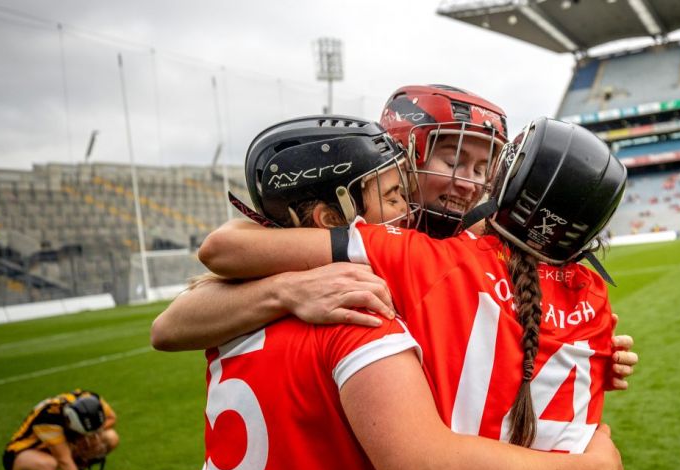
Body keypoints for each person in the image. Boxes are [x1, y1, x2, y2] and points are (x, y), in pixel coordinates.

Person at [183, 116, 625, 470]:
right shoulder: (594, 296)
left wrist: (284, 288)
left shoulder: (415, 265)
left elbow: (214, 262)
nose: (409, 207)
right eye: (395, 194)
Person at [152, 85, 637, 394]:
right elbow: (172, 325)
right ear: (402, 157)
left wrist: (571, 360)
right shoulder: (366, 234)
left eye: (482, 166)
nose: (469, 182)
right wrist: (286, 291)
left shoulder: (490, 243)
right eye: (451, 160)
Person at [3, 389, 119, 470]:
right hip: (22, 454)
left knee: (109, 439)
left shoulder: (92, 400)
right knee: (48, 467)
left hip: (60, 444)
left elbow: (111, 418)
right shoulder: (48, 418)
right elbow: (65, 461)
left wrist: (88, 437)